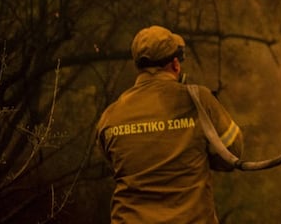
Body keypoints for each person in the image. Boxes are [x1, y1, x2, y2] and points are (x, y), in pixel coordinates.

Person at [96, 25, 243, 224]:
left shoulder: (110, 116)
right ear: (175, 64)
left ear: (138, 66)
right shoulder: (198, 101)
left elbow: (113, 165)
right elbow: (232, 154)